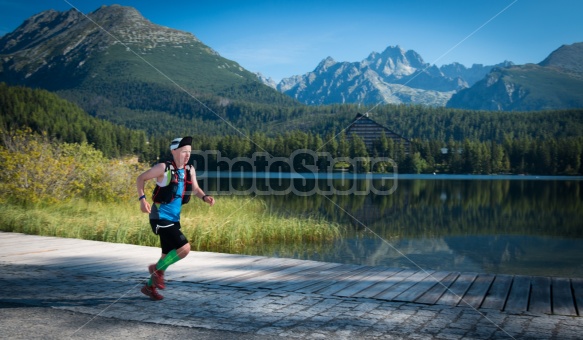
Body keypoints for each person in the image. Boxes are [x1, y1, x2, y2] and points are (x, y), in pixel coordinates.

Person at [136, 136, 215, 300]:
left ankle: (150, 286)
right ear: (174, 151)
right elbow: (140, 178)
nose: (187, 155)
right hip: (159, 216)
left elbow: (195, 188)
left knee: (166, 255)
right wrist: (142, 200)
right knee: (184, 248)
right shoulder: (163, 168)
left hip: (173, 219)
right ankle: (156, 269)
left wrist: (205, 197)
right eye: (184, 152)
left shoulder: (189, 169)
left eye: (189, 152)